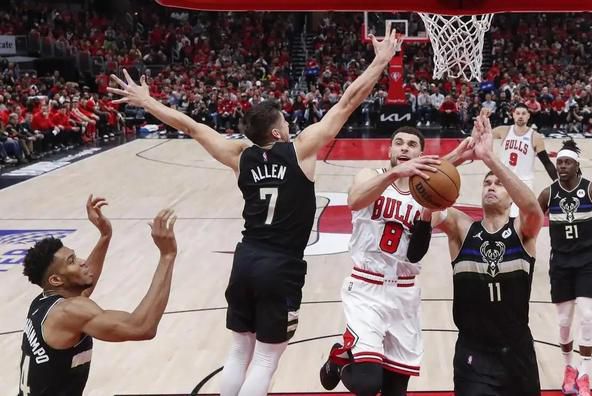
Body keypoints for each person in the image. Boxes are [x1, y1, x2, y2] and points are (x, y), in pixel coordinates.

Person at [107, 28, 400, 396]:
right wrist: (381, 60)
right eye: (286, 123)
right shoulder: (300, 151)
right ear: (277, 133)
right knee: (266, 359)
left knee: (238, 351)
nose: (291, 126)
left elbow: (193, 127)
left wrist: (147, 102)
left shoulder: (238, 155)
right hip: (281, 266)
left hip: (245, 259)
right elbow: (347, 102)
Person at [318, 127, 475, 395]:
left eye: (412, 145)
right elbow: (355, 201)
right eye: (398, 143)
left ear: (420, 154)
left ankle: (346, 357)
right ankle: (339, 359)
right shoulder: (371, 176)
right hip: (367, 288)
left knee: (396, 390)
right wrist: (395, 173)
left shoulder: (429, 198)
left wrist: (456, 160)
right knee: (368, 384)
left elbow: (415, 253)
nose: (404, 148)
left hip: (404, 293)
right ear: (389, 151)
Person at [422, 114, 545, 395]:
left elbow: (534, 210)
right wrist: (456, 158)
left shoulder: (523, 230)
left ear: (511, 195)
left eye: (498, 184)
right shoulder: (462, 228)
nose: (491, 186)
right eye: (486, 183)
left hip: (517, 351)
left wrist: (491, 160)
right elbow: (423, 200)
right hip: (473, 353)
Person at [18, 195, 178, 396]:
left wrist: (105, 235)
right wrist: (167, 256)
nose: (83, 261)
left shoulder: (44, 302)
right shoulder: (69, 312)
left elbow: (82, 284)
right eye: (71, 261)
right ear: (56, 280)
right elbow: (141, 327)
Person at [537, 139, 592, 396]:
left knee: (587, 315)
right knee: (563, 321)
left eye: (567, 162)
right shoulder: (548, 194)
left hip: (587, 261)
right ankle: (569, 368)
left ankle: (584, 372)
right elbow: (531, 222)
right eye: (559, 162)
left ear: (576, 165)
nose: (562, 166)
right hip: (560, 262)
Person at [484, 104, 557, 217]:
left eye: (523, 113)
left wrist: (559, 182)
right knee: (499, 218)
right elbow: (481, 134)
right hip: (503, 181)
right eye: (517, 113)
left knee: (516, 219)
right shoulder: (503, 130)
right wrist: (483, 118)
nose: (520, 116)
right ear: (513, 115)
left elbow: (546, 162)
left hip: (524, 183)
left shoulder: (535, 137)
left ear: (528, 116)